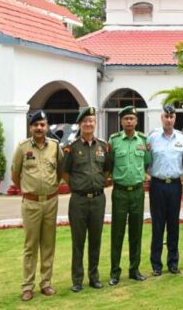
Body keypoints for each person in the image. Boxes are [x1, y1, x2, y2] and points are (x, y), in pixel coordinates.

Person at [12, 110, 62, 301]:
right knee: (30, 246)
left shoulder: (55, 147)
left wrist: (51, 188)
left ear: (47, 126)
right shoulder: (22, 148)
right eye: (36, 125)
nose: (39, 128)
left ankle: (46, 283)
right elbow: (15, 175)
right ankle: (27, 286)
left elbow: (59, 171)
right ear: (31, 127)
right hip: (31, 203)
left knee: (48, 244)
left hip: (51, 202)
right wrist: (28, 191)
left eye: (42, 124)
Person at [60, 106, 111, 293]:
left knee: (95, 240)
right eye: (85, 121)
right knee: (78, 241)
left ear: (95, 124)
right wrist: (76, 186)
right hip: (79, 201)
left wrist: (99, 183)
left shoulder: (103, 146)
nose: (89, 124)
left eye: (91, 121)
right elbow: (64, 172)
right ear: (80, 124)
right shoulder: (71, 148)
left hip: (98, 199)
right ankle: (77, 280)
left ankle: (94, 277)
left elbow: (107, 170)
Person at [108, 106, 150, 286]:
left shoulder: (143, 140)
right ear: (121, 121)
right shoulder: (114, 141)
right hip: (120, 192)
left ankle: (134, 270)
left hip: (138, 192)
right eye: (126, 118)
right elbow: (109, 164)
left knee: (136, 232)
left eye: (132, 118)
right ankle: (114, 272)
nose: (129, 122)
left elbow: (147, 162)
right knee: (117, 233)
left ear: (137, 121)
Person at [147, 104, 183, 276]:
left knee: (173, 225)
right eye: (166, 116)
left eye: (171, 117)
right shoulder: (152, 138)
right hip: (157, 185)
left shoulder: (182, 138)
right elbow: (146, 161)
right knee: (158, 225)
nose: (169, 120)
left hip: (175, 186)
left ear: (175, 118)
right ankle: (156, 264)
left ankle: (173, 262)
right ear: (161, 117)